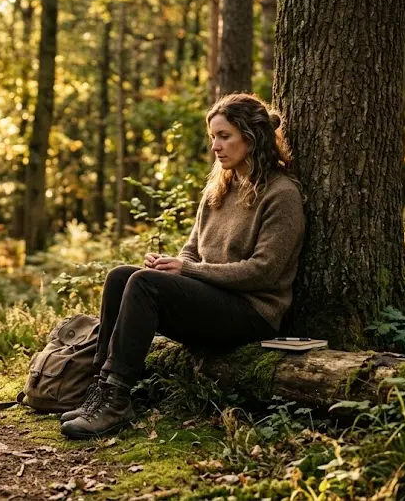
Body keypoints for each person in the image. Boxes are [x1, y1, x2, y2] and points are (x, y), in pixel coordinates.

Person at [60, 93, 306, 440]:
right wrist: (170, 266)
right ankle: (99, 392)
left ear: (251, 138)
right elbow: (191, 251)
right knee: (122, 277)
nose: (216, 147)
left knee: (145, 284)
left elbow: (263, 271)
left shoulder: (281, 194)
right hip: (213, 299)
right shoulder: (219, 189)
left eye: (224, 136)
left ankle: (116, 403)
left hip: (253, 313)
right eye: (212, 138)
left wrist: (186, 272)